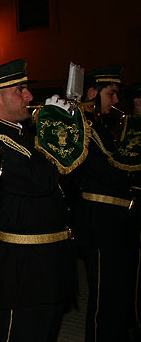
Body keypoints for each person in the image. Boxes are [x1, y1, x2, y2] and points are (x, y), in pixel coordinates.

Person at [0, 59, 76, 341]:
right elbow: (40, 182)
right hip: (22, 268)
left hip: (51, 260)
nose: (29, 96)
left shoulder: (23, 133)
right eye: (20, 89)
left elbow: (69, 180)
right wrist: (54, 131)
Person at [71, 66, 139, 341]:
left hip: (117, 220)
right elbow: (109, 173)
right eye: (111, 94)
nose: (116, 101)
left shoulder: (102, 127)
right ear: (92, 93)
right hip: (100, 221)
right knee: (103, 296)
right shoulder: (82, 127)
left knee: (120, 290)